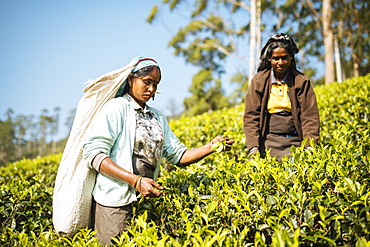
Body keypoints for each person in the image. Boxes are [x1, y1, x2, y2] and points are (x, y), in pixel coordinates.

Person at [82, 56, 234, 245]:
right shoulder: (116, 108)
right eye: (147, 82)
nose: (152, 89)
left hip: (146, 201)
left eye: (155, 84)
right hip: (115, 201)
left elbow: (179, 155)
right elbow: (95, 155)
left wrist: (211, 146)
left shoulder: (157, 117)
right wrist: (136, 181)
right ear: (131, 80)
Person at [243, 33, 320, 161]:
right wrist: (253, 148)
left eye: (284, 58)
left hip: (295, 141)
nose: (280, 63)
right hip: (268, 142)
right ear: (269, 59)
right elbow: (251, 116)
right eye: (275, 59)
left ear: (291, 58)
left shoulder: (301, 81)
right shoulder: (259, 81)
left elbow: (309, 117)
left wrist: (310, 147)